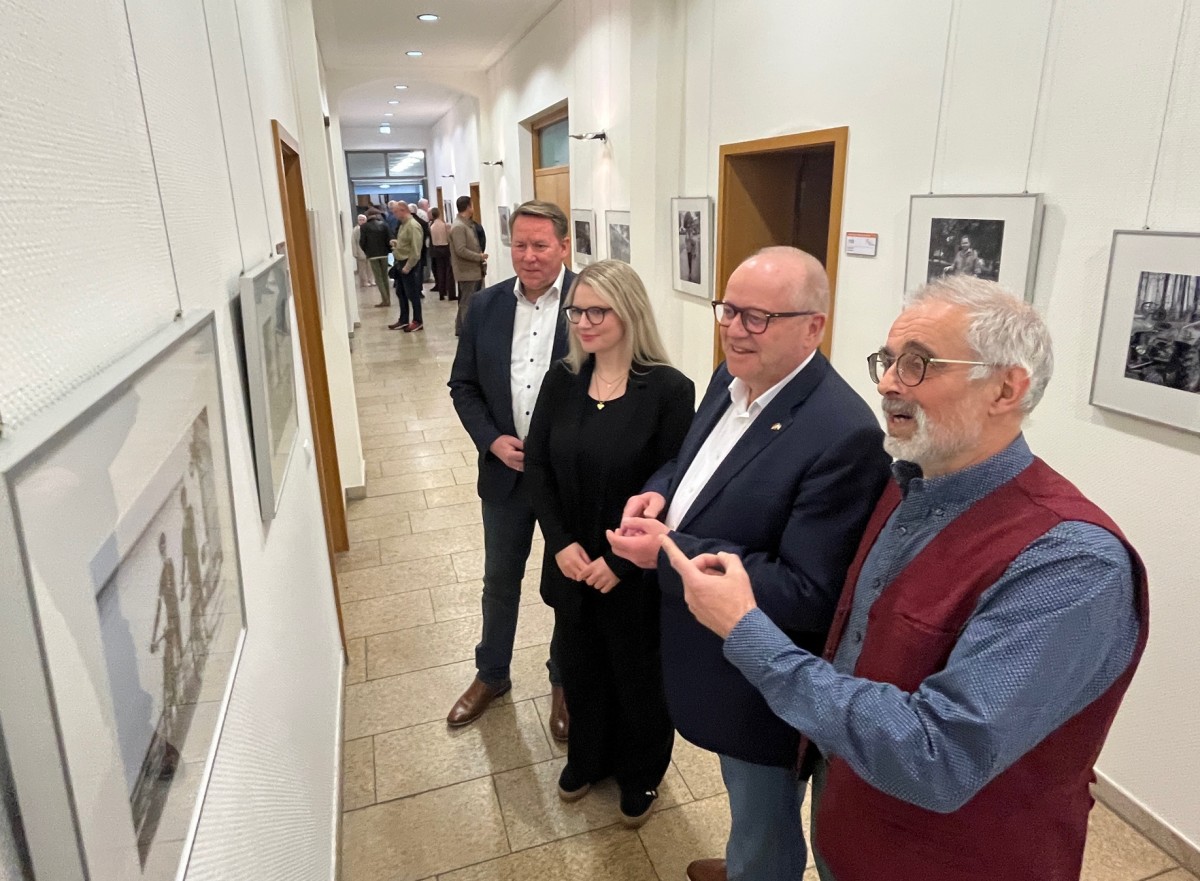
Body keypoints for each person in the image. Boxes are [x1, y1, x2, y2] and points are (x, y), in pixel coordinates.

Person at [662, 276, 1148, 881]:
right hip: (853, 824)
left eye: (918, 364)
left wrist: (747, 630)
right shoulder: (907, 484)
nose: (889, 381)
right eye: (888, 360)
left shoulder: (1071, 563)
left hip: (954, 858)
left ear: (1005, 387)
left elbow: (939, 756)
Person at [609, 247, 890, 881]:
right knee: (743, 803)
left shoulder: (842, 433)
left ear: (813, 326)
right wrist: (660, 489)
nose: (734, 328)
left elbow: (810, 591)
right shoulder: (729, 378)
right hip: (703, 651)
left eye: (757, 317)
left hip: (762, 680)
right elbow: (695, 472)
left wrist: (671, 554)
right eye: (729, 310)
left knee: (765, 814)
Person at [524, 260, 694, 828]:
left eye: (598, 310)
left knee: (636, 674)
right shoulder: (562, 380)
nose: (584, 322)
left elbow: (673, 484)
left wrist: (620, 563)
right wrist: (561, 544)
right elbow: (539, 468)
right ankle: (588, 757)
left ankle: (641, 771)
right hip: (571, 565)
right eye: (577, 311)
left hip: (632, 571)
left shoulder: (669, 390)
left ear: (629, 312)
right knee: (581, 664)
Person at [446, 199, 575, 736]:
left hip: (571, 480)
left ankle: (565, 679)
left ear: (564, 247)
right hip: (505, 475)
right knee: (500, 579)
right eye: (520, 245)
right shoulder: (486, 306)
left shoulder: (593, 303)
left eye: (540, 245)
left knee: (571, 584)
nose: (529, 256)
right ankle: (491, 672)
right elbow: (464, 385)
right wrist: (492, 440)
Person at [450, 195, 488, 336]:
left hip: (474, 271)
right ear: (468, 207)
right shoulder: (459, 227)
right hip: (467, 271)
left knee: (469, 300)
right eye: (472, 205)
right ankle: (466, 331)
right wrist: (479, 256)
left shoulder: (467, 224)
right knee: (467, 301)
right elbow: (461, 250)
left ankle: (463, 328)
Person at [387, 201, 424, 333]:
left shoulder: (413, 226)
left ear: (403, 210)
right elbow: (406, 243)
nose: (394, 215)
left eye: (395, 212)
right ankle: (403, 319)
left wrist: (408, 266)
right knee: (400, 292)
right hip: (400, 263)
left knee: (412, 294)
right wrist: (397, 244)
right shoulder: (403, 225)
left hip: (409, 265)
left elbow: (416, 249)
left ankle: (418, 321)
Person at [359, 209, 392, 306]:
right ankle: (388, 299)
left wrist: (367, 251)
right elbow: (389, 238)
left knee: (378, 278)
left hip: (373, 255)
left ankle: (385, 299)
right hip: (384, 254)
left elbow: (362, 242)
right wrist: (388, 250)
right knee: (385, 276)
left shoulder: (364, 227)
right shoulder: (384, 225)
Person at [428, 207, 455, 300]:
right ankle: (449, 291)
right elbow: (449, 238)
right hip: (445, 248)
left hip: (436, 249)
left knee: (440, 271)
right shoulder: (445, 225)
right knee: (448, 271)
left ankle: (441, 292)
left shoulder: (431, 226)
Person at [351, 214, 372, 288]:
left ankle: (371, 280)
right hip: (360, 251)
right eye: (360, 220)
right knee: (362, 269)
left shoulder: (369, 228)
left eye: (363, 220)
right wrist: (355, 252)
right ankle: (364, 281)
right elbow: (353, 241)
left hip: (369, 251)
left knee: (370, 267)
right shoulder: (356, 229)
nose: (362, 221)